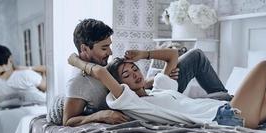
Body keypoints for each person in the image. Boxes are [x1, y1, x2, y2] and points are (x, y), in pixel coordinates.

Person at [63, 18, 229, 127]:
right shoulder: (79, 81)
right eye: (105, 48)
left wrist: (148, 77)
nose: (110, 52)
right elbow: (68, 120)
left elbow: (119, 77)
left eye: (109, 46)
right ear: (84, 48)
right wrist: (100, 115)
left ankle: (222, 97)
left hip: (151, 94)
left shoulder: (102, 64)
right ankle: (223, 98)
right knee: (217, 102)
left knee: (196, 56)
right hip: (142, 105)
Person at [68, 48, 266, 129]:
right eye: (126, 75)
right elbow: (103, 73)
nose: (135, 73)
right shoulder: (132, 102)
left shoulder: (159, 89)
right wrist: (75, 60)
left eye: (134, 69)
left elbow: (172, 56)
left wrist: (143, 54)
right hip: (227, 117)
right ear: (121, 85)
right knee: (264, 66)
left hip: (227, 108)